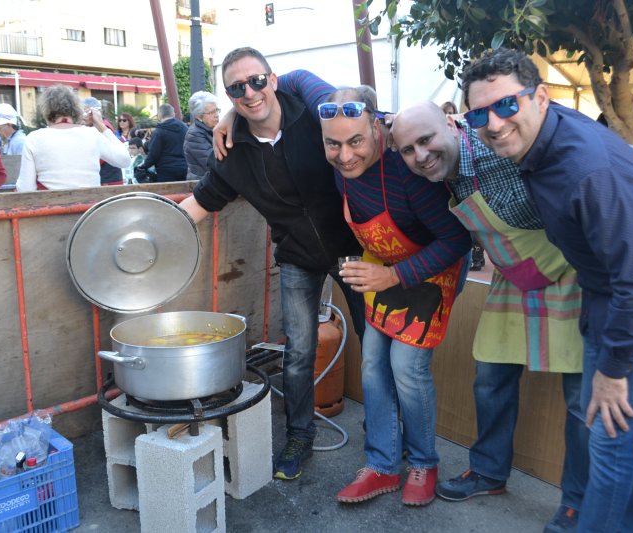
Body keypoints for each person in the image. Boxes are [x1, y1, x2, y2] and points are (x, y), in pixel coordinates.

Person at [391, 101, 633, 531]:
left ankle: (577, 501)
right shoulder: (434, 171)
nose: (420, 155)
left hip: (573, 269)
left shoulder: (499, 141)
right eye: (407, 149)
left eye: (426, 139)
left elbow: (597, 147)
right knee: (490, 375)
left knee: (580, 397)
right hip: (515, 273)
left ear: (451, 124)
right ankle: (488, 471)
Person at [461, 48, 633, 532]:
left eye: (507, 105)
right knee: (616, 441)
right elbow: (629, 153)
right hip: (607, 296)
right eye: (479, 113)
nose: (494, 123)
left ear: (540, 98)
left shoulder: (584, 172)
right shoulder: (546, 131)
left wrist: (613, 372)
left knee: (610, 448)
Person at [179, 46, 365, 482]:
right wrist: (153, 234)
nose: (250, 92)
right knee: (298, 353)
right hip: (297, 255)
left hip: (354, 248)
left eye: (257, 80)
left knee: (375, 344)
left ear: (273, 80)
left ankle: (386, 434)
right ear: (229, 96)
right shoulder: (231, 150)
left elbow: (362, 128)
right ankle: (300, 437)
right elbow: (204, 200)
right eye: (237, 88)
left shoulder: (314, 116)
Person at [306, 83, 471, 506]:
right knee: (373, 364)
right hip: (384, 267)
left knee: (406, 367)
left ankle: (424, 462)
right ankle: (381, 464)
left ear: (378, 127)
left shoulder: (406, 173)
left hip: (432, 269)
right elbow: (291, 80)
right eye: (333, 145)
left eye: (355, 142)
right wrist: (230, 115)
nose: (345, 156)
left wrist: (394, 276)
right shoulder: (341, 161)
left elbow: (456, 241)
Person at [16, 85, 130, 191]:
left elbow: (26, 188)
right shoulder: (92, 134)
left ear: (46, 110)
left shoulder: (34, 139)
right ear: (76, 109)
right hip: (90, 205)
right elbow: (124, 160)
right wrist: (101, 125)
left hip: (52, 205)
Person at [137, 104, 188, 182]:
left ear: (159, 116)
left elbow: (153, 154)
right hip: (185, 169)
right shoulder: (185, 128)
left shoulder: (159, 131)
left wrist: (143, 167)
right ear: (173, 114)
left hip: (166, 171)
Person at [81, 97, 123, 186]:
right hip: (107, 175)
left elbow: (103, 154)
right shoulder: (99, 125)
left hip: (109, 178)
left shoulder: (103, 127)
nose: (83, 117)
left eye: (86, 113)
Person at [184, 91, 219, 181]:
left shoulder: (214, 129)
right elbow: (212, 162)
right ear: (199, 117)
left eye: (217, 110)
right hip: (202, 184)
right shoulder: (194, 134)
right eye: (211, 112)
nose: (217, 115)